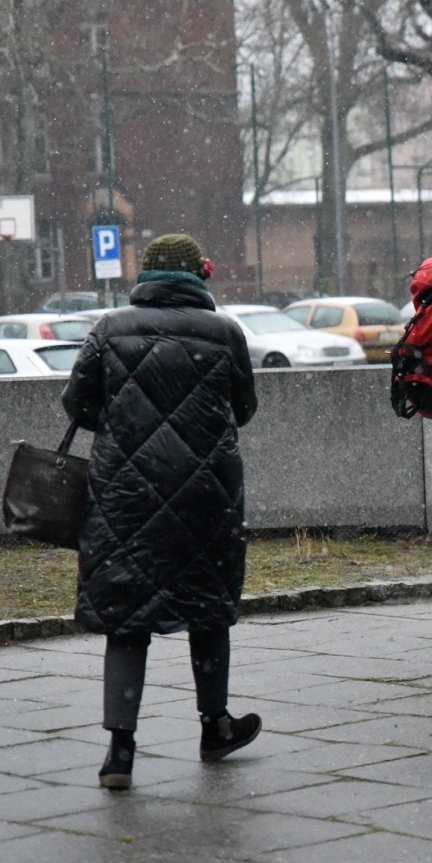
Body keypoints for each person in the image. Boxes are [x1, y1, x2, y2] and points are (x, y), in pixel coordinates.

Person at [62, 233, 263, 789]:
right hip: (206, 493)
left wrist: (128, 426)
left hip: (125, 494)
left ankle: (120, 752)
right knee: (207, 605)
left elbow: (77, 404)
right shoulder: (224, 333)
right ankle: (215, 725)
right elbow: (244, 408)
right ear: (200, 275)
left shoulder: (109, 328)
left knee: (127, 614)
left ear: (146, 277)